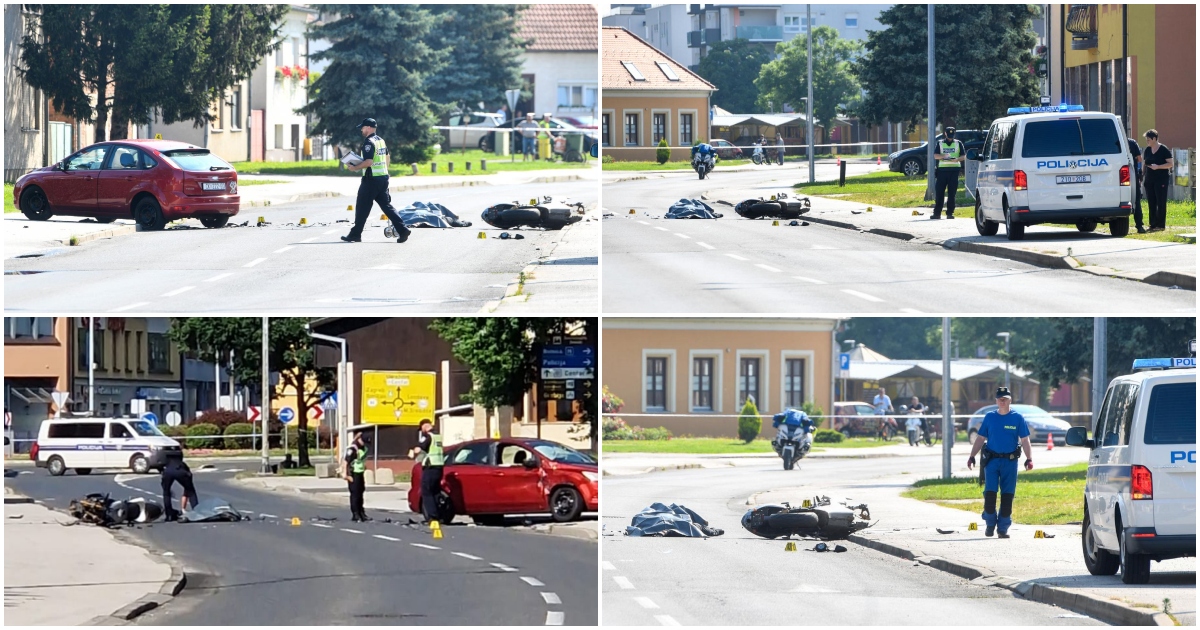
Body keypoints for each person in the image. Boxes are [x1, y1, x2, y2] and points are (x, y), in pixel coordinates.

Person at [966, 387, 1033, 538]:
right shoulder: (989, 417)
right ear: (996, 401)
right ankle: (990, 524)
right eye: (1000, 398)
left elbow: (1025, 440)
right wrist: (972, 456)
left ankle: (1003, 528)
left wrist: (1029, 459)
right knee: (990, 494)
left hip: (1010, 462)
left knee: (1007, 496)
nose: (1002, 401)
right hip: (992, 462)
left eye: (1005, 398)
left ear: (1010, 400)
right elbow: (980, 438)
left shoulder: (1017, 418)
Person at [341, 118, 411, 244]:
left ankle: (355, 235)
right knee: (387, 206)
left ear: (368, 127)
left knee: (362, 207)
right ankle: (403, 229)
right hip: (383, 178)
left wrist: (354, 167)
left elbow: (369, 162)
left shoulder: (369, 142)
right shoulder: (381, 140)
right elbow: (387, 157)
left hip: (371, 180)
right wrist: (386, 172)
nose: (361, 130)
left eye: (362, 127)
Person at [414, 419, 446, 524]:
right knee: (435, 492)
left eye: (421, 429)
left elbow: (419, 449)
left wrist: (414, 451)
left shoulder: (428, 436)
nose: (421, 431)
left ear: (424, 426)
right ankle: (440, 515)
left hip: (430, 467)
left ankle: (432, 517)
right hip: (439, 467)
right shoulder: (438, 436)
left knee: (427, 492)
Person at [1142, 129, 1174, 232]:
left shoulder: (1164, 149)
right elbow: (1144, 163)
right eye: (1146, 139)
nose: (1147, 141)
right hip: (1149, 179)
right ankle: (1152, 224)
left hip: (1161, 180)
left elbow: (1170, 163)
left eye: (1149, 139)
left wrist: (1159, 166)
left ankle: (1160, 225)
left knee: (1160, 202)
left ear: (1154, 138)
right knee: (1151, 202)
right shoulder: (1147, 150)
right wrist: (1142, 175)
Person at [931, 126, 966, 220]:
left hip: (954, 170)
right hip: (942, 170)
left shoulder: (958, 143)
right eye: (949, 135)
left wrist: (957, 159)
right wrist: (943, 156)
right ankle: (937, 213)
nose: (950, 137)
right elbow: (935, 156)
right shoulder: (940, 143)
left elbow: (964, 156)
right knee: (939, 192)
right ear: (945, 134)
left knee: (952, 193)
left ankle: (950, 213)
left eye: (952, 135)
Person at [161, 450, 199, 522]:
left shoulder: (166, 459)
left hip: (167, 471)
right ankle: (196, 512)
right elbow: (189, 476)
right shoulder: (183, 464)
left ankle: (169, 515)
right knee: (191, 492)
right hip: (180, 470)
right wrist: (188, 487)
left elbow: (162, 471)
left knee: (166, 493)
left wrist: (165, 487)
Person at [343, 431, 370, 522]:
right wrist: (345, 475)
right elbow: (345, 462)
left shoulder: (364, 448)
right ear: (359, 439)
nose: (364, 444)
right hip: (353, 473)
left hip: (360, 473)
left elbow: (361, 460)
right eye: (363, 441)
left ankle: (361, 512)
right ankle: (355, 514)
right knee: (355, 495)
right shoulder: (353, 449)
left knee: (361, 492)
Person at [1126, 134, 1146, 234]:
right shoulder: (1132, 142)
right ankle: (1139, 226)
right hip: (1132, 174)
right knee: (1136, 200)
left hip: (1117, 175)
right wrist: (1139, 172)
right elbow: (1139, 159)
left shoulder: (1114, 142)